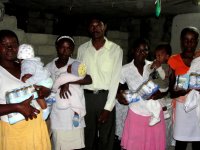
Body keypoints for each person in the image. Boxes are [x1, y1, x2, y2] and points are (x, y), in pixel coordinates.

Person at [77, 15, 123, 150]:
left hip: (106, 97)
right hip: (86, 98)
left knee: (106, 139)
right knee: (87, 136)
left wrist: (108, 108)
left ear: (105, 27)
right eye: (92, 25)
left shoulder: (115, 50)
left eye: (98, 25)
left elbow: (115, 80)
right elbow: (79, 76)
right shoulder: (82, 49)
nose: (95, 28)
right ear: (88, 28)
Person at [0, 29, 51, 150]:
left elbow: (45, 85)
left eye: (14, 44)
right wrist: (17, 107)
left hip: (37, 124)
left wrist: (44, 91)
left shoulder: (27, 65)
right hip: (14, 131)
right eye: (4, 44)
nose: (10, 48)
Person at [117, 38, 166, 150]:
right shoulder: (125, 69)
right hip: (136, 113)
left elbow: (163, 85)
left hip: (154, 114)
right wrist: (120, 97)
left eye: (145, 50)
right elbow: (116, 89)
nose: (142, 53)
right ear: (133, 51)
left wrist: (160, 94)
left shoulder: (152, 66)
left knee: (153, 146)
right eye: (139, 50)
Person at [46, 35, 92, 150]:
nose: (65, 50)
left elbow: (88, 79)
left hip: (74, 113)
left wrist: (67, 81)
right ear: (57, 47)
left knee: (76, 146)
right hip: (58, 115)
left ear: (72, 50)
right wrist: (60, 83)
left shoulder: (76, 64)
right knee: (60, 145)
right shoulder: (49, 67)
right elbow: (47, 87)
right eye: (62, 47)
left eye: (68, 48)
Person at [168, 26, 200, 150]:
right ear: (181, 41)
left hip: (198, 109)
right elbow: (172, 92)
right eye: (186, 40)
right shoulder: (174, 60)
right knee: (181, 144)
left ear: (197, 41)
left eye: (192, 40)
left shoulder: (199, 59)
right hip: (182, 109)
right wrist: (188, 88)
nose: (189, 43)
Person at [17, 43, 53, 120]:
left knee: (36, 94)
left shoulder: (26, 63)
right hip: (47, 80)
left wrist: (24, 78)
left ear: (20, 59)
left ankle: (45, 109)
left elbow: (29, 73)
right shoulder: (34, 61)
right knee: (38, 95)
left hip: (42, 81)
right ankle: (47, 104)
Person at [51, 60, 87, 127]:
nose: (68, 67)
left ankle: (52, 98)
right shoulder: (80, 75)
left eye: (70, 67)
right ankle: (77, 114)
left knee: (69, 100)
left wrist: (54, 90)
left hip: (71, 92)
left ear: (72, 71)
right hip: (77, 91)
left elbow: (58, 82)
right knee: (77, 103)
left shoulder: (67, 76)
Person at [149, 43, 172, 120]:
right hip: (159, 86)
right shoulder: (159, 65)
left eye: (160, 55)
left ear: (167, 57)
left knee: (151, 99)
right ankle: (165, 112)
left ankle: (155, 116)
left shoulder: (166, 67)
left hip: (162, 86)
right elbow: (153, 74)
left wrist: (158, 67)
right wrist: (152, 67)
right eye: (156, 55)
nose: (157, 57)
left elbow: (162, 76)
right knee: (160, 100)